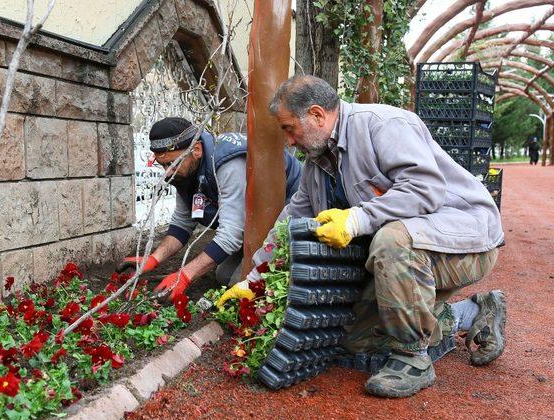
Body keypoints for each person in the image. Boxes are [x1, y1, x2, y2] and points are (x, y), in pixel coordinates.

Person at [218, 75, 505, 398]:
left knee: (391, 241)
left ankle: (413, 358)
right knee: (354, 337)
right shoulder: (319, 163)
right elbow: (290, 222)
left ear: (316, 115)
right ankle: (471, 311)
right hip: (410, 252)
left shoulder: (384, 125)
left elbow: (425, 190)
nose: (288, 141)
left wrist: (357, 219)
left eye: (288, 128)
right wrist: (254, 277)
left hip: (464, 241)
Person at [118, 117, 302, 300]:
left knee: (243, 283)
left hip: (290, 210)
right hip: (253, 217)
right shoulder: (185, 171)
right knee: (223, 276)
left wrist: (185, 276)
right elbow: (182, 223)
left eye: (172, 163)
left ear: (196, 150)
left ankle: (294, 277)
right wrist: (153, 259)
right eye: (163, 165)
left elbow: (231, 234)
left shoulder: (228, 165)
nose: (168, 172)